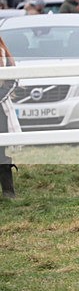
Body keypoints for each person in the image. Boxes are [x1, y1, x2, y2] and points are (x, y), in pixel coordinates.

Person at [0, 37, 18, 198]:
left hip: (0, 109)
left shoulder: (3, 51)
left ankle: (8, 191)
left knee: (1, 151)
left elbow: (13, 78)